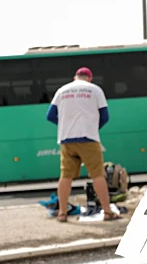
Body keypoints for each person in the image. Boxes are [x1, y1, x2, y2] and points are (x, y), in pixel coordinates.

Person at [46, 67, 119, 222]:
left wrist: (65, 125)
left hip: (67, 140)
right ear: (89, 78)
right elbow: (105, 116)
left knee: (65, 176)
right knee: (97, 175)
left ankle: (62, 213)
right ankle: (107, 212)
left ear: (75, 77)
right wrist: (93, 127)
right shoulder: (95, 90)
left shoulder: (62, 90)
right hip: (88, 138)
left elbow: (50, 115)